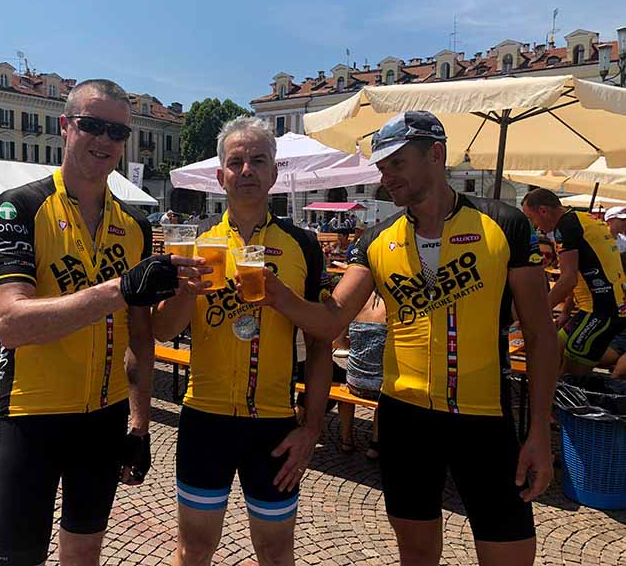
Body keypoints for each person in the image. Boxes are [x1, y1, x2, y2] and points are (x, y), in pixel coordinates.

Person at [258, 111, 557, 566]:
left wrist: (539, 433)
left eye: (396, 163)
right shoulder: (376, 239)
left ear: (435, 154)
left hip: (485, 418)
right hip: (404, 419)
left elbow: (539, 336)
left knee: (510, 556)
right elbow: (330, 321)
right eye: (381, 167)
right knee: (416, 556)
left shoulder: (505, 224)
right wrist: (279, 295)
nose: (386, 178)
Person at [0, 78, 197, 566]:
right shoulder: (22, 205)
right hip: (32, 414)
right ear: (65, 127)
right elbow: (12, 323)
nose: (105, 140)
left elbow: (146, 333)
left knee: (84, 551)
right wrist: (117, 289)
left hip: (106, 417)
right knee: (19, 558)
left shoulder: (136, 224)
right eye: (92, 126)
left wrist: (141, 424)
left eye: (118, 133)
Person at [152, 115, 332, 566]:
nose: (247, 170)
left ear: (274, 172)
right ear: (220, 176)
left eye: (258, 160)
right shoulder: (196, 246)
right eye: (236, 162)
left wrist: (311, 426)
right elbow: (162, 330)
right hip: (204, 418)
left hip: (273, 423)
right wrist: (180, 292)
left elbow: (321, 341)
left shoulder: (303, 244)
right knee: (194, 549)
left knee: (274, 551)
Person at [522, 189, 626, 376]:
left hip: (602, 312)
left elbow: (568, 279)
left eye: (532, 218)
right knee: (552, 348)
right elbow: (575, 276)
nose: (535, 226)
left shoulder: (566, 226)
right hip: (594, 308)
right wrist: (565, 312)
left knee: (570, 378)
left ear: (543, 211)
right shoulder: (581, 218)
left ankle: (563, 402)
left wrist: (534, 315)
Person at [345, 289, 386, 460]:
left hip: (353, 382)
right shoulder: (392, 306)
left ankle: (345, 439)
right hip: (379, 387)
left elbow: (339, 342)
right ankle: (375, 444)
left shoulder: (357, 301)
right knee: (386, 385)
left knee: (342, 379)